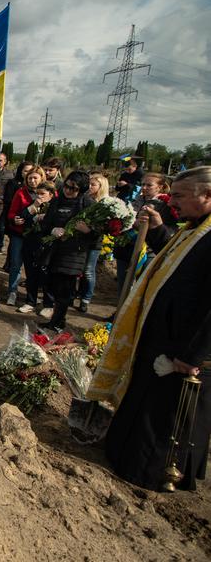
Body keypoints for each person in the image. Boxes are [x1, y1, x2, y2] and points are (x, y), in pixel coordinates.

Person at [89, 166, 211, 491]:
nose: (173, 202)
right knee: (142, 399)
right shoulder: (194, 229)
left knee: (163, 415)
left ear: (207, 196)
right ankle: (124, 454)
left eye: (181, 196)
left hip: (182, 350)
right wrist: (157, 231)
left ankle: (147, 470)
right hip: (159, 336)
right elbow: (178, 264)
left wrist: (190, 354)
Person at [36, 171, 95, 332]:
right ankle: (57, 319)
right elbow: (46, 224)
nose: (68, 190)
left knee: (64, 289)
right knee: (52, 284)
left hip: (73, 254)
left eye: (73, 188)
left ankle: (56, 322)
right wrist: (52, 229)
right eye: (66, 186)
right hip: (54, 250)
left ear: (81, 190)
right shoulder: (57, 202)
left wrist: (87, 230)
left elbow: (98, 235)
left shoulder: (88, 205)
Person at [113, 172, 178, 302]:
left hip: (148, 251)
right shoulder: (136, 200)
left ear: (159, 187)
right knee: (123, 283)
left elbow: (170, 228)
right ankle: (120, 312)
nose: (144, 187)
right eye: (142, 184)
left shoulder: (166, 204)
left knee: (142, 286)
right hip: (127, 248)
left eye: (149, 185)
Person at [5, 166, 46, 306]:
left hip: (37, 236)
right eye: (30, 178)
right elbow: (11, 212)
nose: (32, 181)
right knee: (16, 263)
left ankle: (33, 295)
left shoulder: (49, 193)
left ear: (41, 178)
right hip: (19, 234)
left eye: (35, 178)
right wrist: (14, 219)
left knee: (34, 266)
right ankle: (12, 291)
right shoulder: (21, 193)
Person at [16, 181, 56, 316]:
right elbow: (22, 217)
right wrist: (34, 208)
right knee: (31, 274)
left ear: (51, 194)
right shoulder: (33, 205)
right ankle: (30, 301)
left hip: (46, 245)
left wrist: (45, 219)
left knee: (46, 275)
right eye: (37, 193)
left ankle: (48, 304)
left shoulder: (54, 207)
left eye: (43, 194)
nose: (39, 196)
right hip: (30, 243)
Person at [77, 173, 110, 313]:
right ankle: (77, 293)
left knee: (88, 271)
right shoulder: (84, 200)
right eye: (89, 184)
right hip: (80, 240)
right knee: (79, 269)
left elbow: (106, 227)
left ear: (101, 187)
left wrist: (89, 230)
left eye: (93, 185)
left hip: (94, 242)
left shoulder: (106, 203)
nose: (90, 187)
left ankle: (86, 298)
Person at [2, 161, 35, 271]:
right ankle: (9, 265)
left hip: (32, 229)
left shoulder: (42, 190)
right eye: (26, 171)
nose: (28, 174)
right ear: (21, 171)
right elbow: (8, 202)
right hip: (16, 223)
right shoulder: (15, 185)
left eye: (31, 171)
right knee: (15, 254)